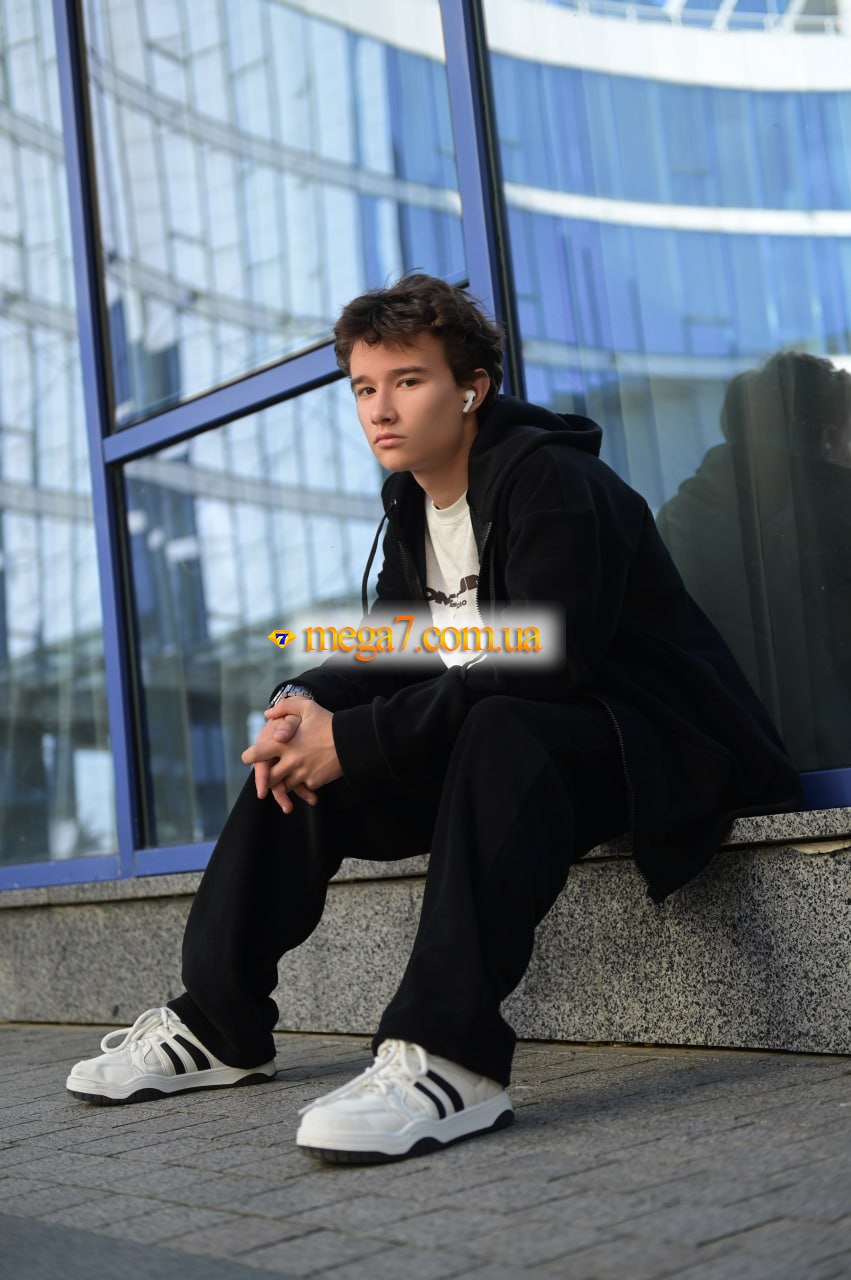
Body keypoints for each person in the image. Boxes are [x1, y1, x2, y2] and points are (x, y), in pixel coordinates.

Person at [66, 275, 800, 1164]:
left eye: (407, 381)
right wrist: (302, 705)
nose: (380, 409)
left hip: (647, 747)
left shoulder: (555, 482)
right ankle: (218, 1023)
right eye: (364, 388)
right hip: (515, 760)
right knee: (292, 761)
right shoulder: (413, 508)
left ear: (470, 388)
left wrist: (356, 739)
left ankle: (448, 1057)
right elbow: (390, 652)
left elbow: (549, 660)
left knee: (500, 726)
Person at [656, 351, 851, 772]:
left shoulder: (678, 516)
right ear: (827, 437)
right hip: (825, 764)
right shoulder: (835, 511)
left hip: (719, 768)